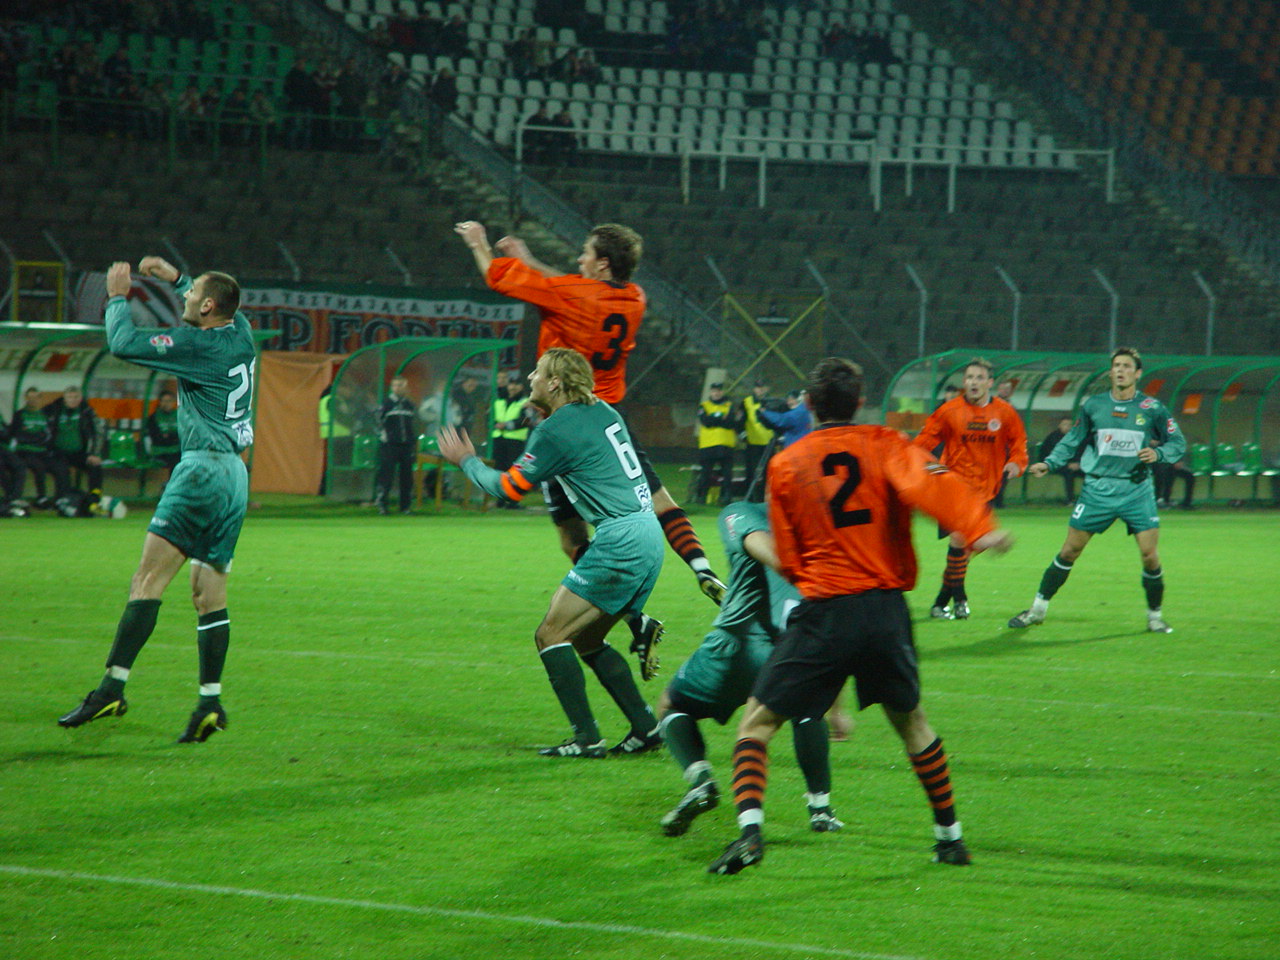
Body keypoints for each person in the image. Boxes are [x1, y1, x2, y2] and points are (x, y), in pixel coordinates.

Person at [707, 358, 1013, 875]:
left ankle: (750, 836)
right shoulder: (886, 444)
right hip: (884, 612)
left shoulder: (787, 463)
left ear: (809, 404)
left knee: (755, 725)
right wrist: (980, 527)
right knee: (913, 725)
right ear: (860, 402)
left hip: (825, 611)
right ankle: (950, 839)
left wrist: (810, 576)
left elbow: (790, 555)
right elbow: (935, 484)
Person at [453, 219, 727, 607]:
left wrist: (478, 243)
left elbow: (500, 278)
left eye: (586, 253)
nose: (579, 259)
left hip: (566, 421)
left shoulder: (571, 296)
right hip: (610, 417)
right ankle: (702, 567)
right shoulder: (635, 298)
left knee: (570, 533)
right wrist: (529, 259)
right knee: (659, 499)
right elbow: (571, 287)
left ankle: (627, 612)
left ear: (603, 264)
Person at [57, 255, 257, 744]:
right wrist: (177, 278)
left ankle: (111, 689)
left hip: (201, 471)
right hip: (235, 476)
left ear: (207, 307)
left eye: (192, 294)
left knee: (147, 581)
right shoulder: (242, 333)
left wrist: (117, 298)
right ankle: (209, 701)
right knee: (208, 593)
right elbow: (218, 302)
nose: (185, 297)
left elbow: (123, 343)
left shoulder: (196, 345)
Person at [437, 348, 664, 756]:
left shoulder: (556, 430)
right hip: (648, 532)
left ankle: (587, 739)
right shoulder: (604, 411)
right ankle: (647, 729)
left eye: (538, 372)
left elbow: (508, 488)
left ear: (555, 382)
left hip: (620, 539)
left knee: (550, 635)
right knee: (587, 639)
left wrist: (466, 461)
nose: (530, 378)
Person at [657, 499, 842, 838]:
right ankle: (820, 808)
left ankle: (701, 781)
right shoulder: (821, 526)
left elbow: (758, 542)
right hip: (791, 648)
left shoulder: (739, 512)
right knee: (808, 709)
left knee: (671, 705)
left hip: (733, 646)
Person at [1008, 347, 1185, 634]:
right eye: (1117, 366)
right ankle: (1037, 610)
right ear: (1111, 371)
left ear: (1137, 373)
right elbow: (1073, 439)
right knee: (1070, 550)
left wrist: (1159, 454)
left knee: (1149, 555)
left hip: (1136, 489)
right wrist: (1050, 463)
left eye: (1127, 366)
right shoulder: (1094, 405)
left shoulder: (1152, 408)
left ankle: (1155, 617)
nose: (1120, 370)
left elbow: (1177, 442)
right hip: (1098, 488)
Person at [911, 357, 1026, 620]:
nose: (974, 382)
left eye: (979, 377)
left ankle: (944, 601)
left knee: (964, 550)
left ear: (989, 382)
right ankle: (957, 600)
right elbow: (924, 440)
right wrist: (919, 462)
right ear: (964, 382)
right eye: (970, 377)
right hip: (954, 488)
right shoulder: (949, 410)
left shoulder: (1005, 413)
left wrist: (1016, 463)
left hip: (986, 490)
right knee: (959, 540)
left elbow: (1019, 442)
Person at [45, 384, 105, 497]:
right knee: (62, 471)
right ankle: (63, 498)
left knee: (95, 467)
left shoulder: (87, 411)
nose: (73, 400)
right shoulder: (53, 410)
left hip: (79, 452)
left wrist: (94, 454)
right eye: (70, 397)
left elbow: (98, 433)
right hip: (57, 453)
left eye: (76, 397)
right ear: (65, 398)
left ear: (81, 398)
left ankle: (94, 497)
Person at [8, 386, 66, 503]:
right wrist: (36, 437)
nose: (32, 400)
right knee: (39, 466)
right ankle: (41, 497)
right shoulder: (19, 414)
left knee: (60, 468)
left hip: (42, 451)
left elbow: (48, 435)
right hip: (25, 451)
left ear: (40, 399)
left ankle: (62, 499)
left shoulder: (44, 415)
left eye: (35, 398)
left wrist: (34, 436)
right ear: (25, 398)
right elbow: (17, 434)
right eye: (30, 398)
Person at [374, 375, 416, 515]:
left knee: (407, 477)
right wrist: (384, 436)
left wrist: (412, 442)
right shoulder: (386, 404)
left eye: (400, 385)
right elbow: (377, 421)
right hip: (390, 445)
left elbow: (413, 425)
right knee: (386, 475)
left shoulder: (409, 405)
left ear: (406, 387)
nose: (397, 388)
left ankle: (405, 507)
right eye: (395, 385)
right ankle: (382, 505)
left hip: (406, 445)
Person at [695, 382, 739, 506]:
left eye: (719, 390)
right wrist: (721, 419)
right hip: (708, 444)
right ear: (711, 392)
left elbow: (730, 422)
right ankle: (702, 497)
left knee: (727, 473)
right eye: (714, 391)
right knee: (706, 472)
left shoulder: (729, 405)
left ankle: (725, 497)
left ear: (722, 392)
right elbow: (706, 421)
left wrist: (714, 418)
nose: (716, 393)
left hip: (726, 443)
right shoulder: (704, 406)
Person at [490, 375, 531, 499]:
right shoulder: (499, 400)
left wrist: (507, 425)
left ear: (521, 387)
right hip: (498, 439)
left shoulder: (525, 402)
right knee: (499, 469)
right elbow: (489, 416)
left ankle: (511, 499)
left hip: (515, 441)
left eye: (516, 384)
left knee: (513, 472)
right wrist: (495, 424)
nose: (513, 387)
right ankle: (499, 499)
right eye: (511, 384)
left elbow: (526, 420)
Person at [739, 378, 774, 491]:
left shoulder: (772, 402)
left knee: (769, 471)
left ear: (767, 389)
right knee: (751, 471)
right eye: (758, 388)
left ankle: (766, 496)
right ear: (754, 389)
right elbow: (740, 421)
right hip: (753, 443)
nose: (760, 390)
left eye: (762, 388)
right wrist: (743, 435)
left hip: (768, 443)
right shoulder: (746, 402)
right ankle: (750, 496)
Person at [1039, 416, 1082, 503]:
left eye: (1070, 425)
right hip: (1055, 465)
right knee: (1069, 473)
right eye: (1065, 424)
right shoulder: (1053, 437)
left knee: (1090, 473)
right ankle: (1070, 500)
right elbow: (1050, 454)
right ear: (1060, 425)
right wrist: (1067, 464)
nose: (1067, 427)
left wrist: (1078, 463)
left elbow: (1081, 451)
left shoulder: (1077, 437)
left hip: (1075, 465)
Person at [144, 389, 182, 479]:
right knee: (175, 461)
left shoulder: (180, 415)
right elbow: (157, 438)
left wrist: (168, 436)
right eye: (164, 401)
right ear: (160, 403)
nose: (166, 404)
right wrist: (174, 436)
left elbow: (184, 435)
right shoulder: (153, 418)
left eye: (169, 401)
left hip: (177, 450)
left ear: (173, 402)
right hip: (161, 452)